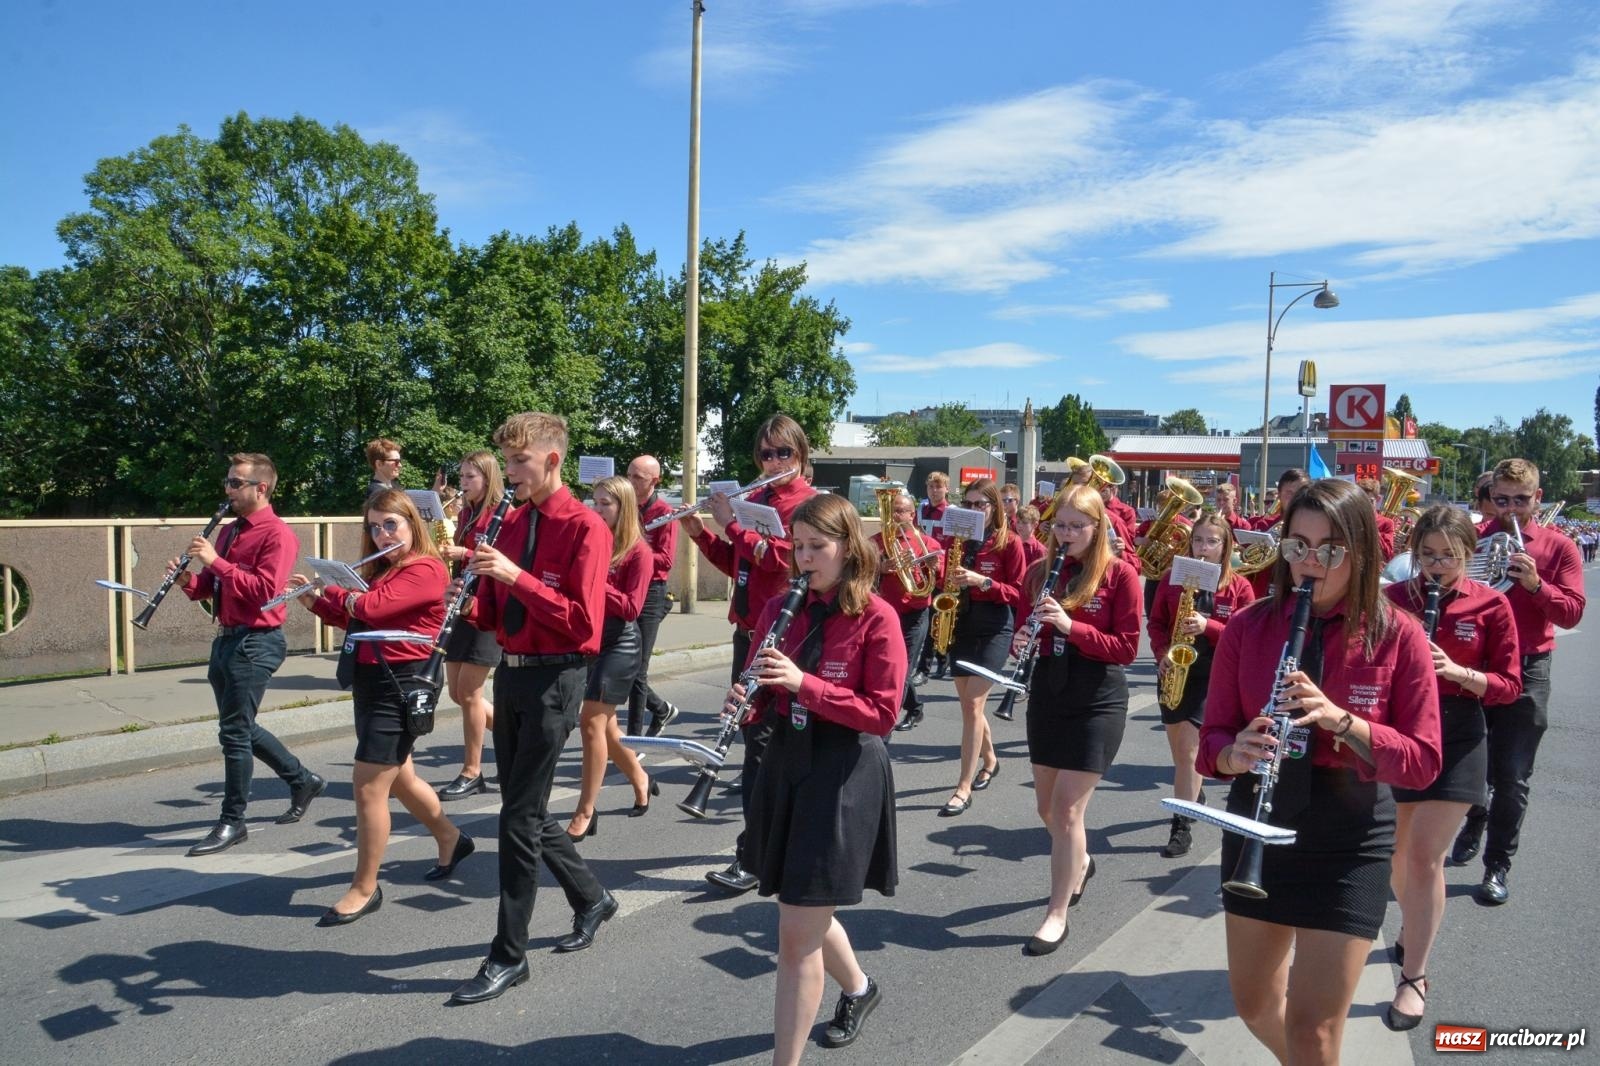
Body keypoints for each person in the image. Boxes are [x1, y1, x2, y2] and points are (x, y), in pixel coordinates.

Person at [1197, 478, 1441, 1065]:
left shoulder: (1398, 633)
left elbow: (1424, 761)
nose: (1311, 562)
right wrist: (1237, 753)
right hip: (1261, 819)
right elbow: (1212, 744)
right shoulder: (1251, 627)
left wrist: (1342, 721)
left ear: (1361, 552)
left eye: (1330, 549)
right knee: (1254, 1004)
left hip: (1349, 834)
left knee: (1315, 1032)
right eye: (1297, 546)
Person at [448, 412, 617, 1005]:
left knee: (516, 818)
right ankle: (592, 897)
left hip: (557, 679)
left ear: (551, 460)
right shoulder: (513, 522)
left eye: (519, 462)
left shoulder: (586, 527)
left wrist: (517, 576)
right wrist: (468, 599)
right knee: (530, 808)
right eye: (507, 461)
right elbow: (498, 616)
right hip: (513, 674)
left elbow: (583, 624)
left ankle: (508, 955)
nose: (510, 473)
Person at [735, 493, 905, 1062]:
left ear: (848, 546)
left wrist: (803, 684)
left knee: (795, 936)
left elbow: (882, 714)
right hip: (790, 760)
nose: (805, 558)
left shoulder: (876, 616)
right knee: (800, 903)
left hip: (843, 772)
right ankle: (860, 988)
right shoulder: (782, 608)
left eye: (818, 546)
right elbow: (764, 695)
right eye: (798, 546)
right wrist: (749, 698)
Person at [296, 490, 472, 924]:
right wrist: (312, 599)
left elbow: (373, 608)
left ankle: (364, 886)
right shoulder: (386, 569)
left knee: (368, 787)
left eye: (390, 524)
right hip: (372, 679)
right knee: (401, 778)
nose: (381, 534)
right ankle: (451, 838)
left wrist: (337, 591)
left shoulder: (427, 568)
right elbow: (359, 618)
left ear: (413, 523)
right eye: (374, 527)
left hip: (403, 683)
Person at [1382, 505, 1520, 1029]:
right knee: (1395, 855)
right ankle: (1412, 923)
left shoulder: (1491, 606)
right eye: (1427, 555)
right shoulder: (1393, 599)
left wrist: (1456, 669)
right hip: (1401, 731)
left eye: (1449, 556)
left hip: (1459, 734)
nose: (1436, 567)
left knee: (1424, 859)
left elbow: (1508, 685)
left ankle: (1414, 976)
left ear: (1469, 555)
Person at [681, 414, 817, 895]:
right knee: (757, 742)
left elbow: (783, 559)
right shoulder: (754, 500)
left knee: (760, 747)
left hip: (784, 636)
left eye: (783, 453)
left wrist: (733, 525)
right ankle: (768, 845)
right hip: (747, 632)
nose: (773, 461)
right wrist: (701, 532)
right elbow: (740, 562)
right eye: (765, 454)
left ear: (800, 455)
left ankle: (755, 855)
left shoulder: (809, 505)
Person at [170, 453, 325, 857]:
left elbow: (265, 592)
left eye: (236, 483)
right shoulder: (229, 532)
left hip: (258, 640)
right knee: (239, 724)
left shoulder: (277, 534)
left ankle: (232, 821)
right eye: (227, 482)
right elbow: (213, 587)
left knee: (234, 732)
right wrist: (189, 579)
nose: (228, 490)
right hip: (226, 638)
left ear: (261, 488)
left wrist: (216, 562)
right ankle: (302, 779)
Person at [1451, 458, 1585, 904]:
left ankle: (1497, 866)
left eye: (1520, 500)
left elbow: (1571, 612)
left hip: (1529, 666)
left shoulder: (1558, 547)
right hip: (1479, 666)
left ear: (1537, 499)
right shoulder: (1473, 541)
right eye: (1500, 500)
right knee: (1470, 766)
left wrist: (1534, 584)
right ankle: (1474, 817)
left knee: (1512, 777)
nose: (1509, 509)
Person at [1014, 484, 1141, 953]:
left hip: (1097, 698)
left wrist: (1071, 626)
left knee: (1067, 810)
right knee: (1046, 809)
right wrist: (1024, 640)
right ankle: (1080, 862)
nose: (1066, 535)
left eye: (1076, 526)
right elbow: (1027, 629)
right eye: (1060, 526)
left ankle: (1056, 912)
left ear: (1097, 527)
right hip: (1050, 692)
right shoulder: (1041, 572)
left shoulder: (1119, 575)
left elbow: (1127, 648)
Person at [1147, 513, 1254, 858]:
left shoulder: (1239, 586)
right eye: (1198, 540)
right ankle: (1193, 795)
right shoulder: (1172, 579)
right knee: (1180, 752)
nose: (1203, 548)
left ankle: (1182, 827)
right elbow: (1158, 622)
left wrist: (1209, 625)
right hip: (1175, 670)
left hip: (1214, 674)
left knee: (1189, 755)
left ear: (1225, 547)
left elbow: (1247, 637)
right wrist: (1163, 652)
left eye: (1212, 541)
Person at [567, 475, 656, 840]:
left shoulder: (639, 552)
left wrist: (595, 581)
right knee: (608, 728)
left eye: (606, 503)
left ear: (624, 507)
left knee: (590, 722)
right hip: (590, 641)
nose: (597, 509)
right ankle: (641, 778)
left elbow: (632, 607)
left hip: (620, 645)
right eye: (595, 502)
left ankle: (586, 810)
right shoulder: (592, 541)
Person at [937, 478, 1025, 817]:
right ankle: (990, 760)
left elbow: (1019, 593)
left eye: (981, 505)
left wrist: (983, 581)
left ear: (994, 508)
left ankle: (963, 786)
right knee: (969, 705)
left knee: (973, 705)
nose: (975, 511)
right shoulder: (957, 540)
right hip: (961, 623)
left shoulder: (1010, 543)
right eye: (969, 505)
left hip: (994, 629)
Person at [435, 450, 506, 800]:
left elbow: (500, 557)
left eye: (469, 478)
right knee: (456, 693)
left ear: (488, 478)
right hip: (462, 603)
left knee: (470, 693)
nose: (462, 484)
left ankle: (472, 769)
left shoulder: (501, 513)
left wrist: (462, 554)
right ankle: (515, 739)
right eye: (461, 477)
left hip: (487, 607)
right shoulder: (465, 511)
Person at [873, 490, 943, 732]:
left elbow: (940, 579)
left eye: (901, 511)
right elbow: (862, 574)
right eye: (892, 511)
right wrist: (880, 567)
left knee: (901, 668)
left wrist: (934, 567)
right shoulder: (876, 542)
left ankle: (884, 723)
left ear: (913, 514)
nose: (896, 515)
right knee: (891, 665)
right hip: (885, 613)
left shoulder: (929, 543)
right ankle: (915, 708)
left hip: (915, 612)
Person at [626, 454, 682, 737]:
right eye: (630, 475)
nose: (631, 482)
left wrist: (635, 550)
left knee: (637, 669)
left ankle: (633, 740)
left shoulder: (664, 513)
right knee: (620, 664)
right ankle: (660, 709)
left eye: (638, 478)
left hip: (651, 592)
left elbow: (665, 561)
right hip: (626, 587)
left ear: (654, 481)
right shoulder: (625, 507)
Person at [915, 471, 952, 682]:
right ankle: (928, 665)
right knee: (928, 621)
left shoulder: (952, 512)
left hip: (942, 572)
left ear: (947, 488)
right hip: (922, 572)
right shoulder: (920, 509)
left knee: (939, 619)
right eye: (931, 487)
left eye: (939, 487)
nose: (934, 491)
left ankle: (939, 659)